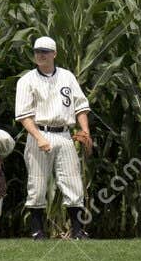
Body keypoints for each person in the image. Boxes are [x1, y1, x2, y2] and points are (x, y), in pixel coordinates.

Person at [14, 36, 93, 239]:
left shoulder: (67, 77)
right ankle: (37, 231)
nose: (40, 55)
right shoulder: (27, 80)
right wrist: (38, 137)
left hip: (65, 134)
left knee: (73, 183)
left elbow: (81, 106)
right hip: (39, 133)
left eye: (45, 51)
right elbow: (24, 115)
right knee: (37, 184)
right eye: (37, 51)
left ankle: (77, 230)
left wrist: (85, 131)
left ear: (54, 54)